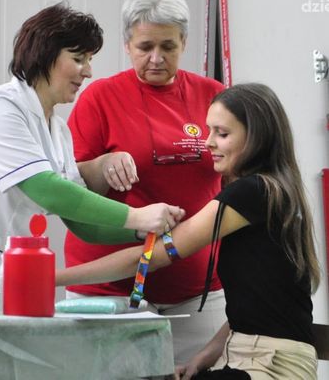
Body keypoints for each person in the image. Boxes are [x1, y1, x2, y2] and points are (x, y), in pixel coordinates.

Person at [0, 2, 184, 310]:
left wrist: (140, 230)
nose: (88, 71)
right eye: (78, 59)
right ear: (45, 55)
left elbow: (83, 224)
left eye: (89, 60)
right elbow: (47, 190)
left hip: (6, 269)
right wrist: (137, 215)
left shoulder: (58, 131)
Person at [57, 83, 321, 379]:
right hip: (253, 356)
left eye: (222, 134)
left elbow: (148, 258)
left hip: (269, 365)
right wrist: (202, 358)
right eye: (208, 131)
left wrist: (51, 278)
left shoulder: (250, 193)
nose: (208, 143)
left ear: (256, 138)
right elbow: (252, 308)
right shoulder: (276, 189)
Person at [64, 0, 227, 363]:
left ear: (184, 42)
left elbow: (238, 176)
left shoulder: (214, 96)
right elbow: (69, 185)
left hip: (199, 288)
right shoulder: (100, 97)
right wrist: (102, 165)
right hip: (110, 289)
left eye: (168, 46)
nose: (156, 58)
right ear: (127, 45)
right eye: (145, 47)